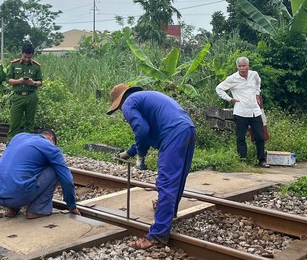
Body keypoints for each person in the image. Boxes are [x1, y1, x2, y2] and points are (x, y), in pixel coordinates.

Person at [108, 84, 196, 249]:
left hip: (173, 133)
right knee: (177, 178)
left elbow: (141, 130)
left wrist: (141, 155)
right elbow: (147, 132)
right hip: (188, 129)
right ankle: (168, 210)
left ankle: (157, 236)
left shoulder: (128, 104)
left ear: (119, 102)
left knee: (166, 183)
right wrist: (130, 152)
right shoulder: (145, 97)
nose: (122, 112)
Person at [0, 129, 81, 218]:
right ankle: (37, 210)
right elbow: (67, 179)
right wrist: (72, 206)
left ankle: (13, 209)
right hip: (17, 196)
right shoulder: (49, 147)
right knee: (55, 169)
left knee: (24, 167)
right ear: (51, 138)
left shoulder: (19, 137)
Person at [215, 57, 269, 168]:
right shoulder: (232, 78)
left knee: (260, 136)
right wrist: (230, 99)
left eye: (244, 66)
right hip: (241, 112)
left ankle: (262, 160)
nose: (242, 68)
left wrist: (257, 93)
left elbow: (258, 82)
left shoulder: (254, 75)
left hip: (255, 111)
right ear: (237, 67)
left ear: (248, 66)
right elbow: (219, 88)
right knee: (240, 137)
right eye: (239, 66)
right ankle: (242, 160)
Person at [7, 41, 43, 141]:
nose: (27, 59)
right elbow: (9, 80)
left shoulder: (36, 66)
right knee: (15, 122)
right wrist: (19, 81)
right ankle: (10, 143)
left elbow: (40, 82)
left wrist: (33, 83)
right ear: (22, 53)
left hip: (31, 96)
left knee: (29, 123)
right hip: (18, 96)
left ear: (32, 55)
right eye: (25, 57)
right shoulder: (14, 64)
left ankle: (27, 144)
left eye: (29, 57)